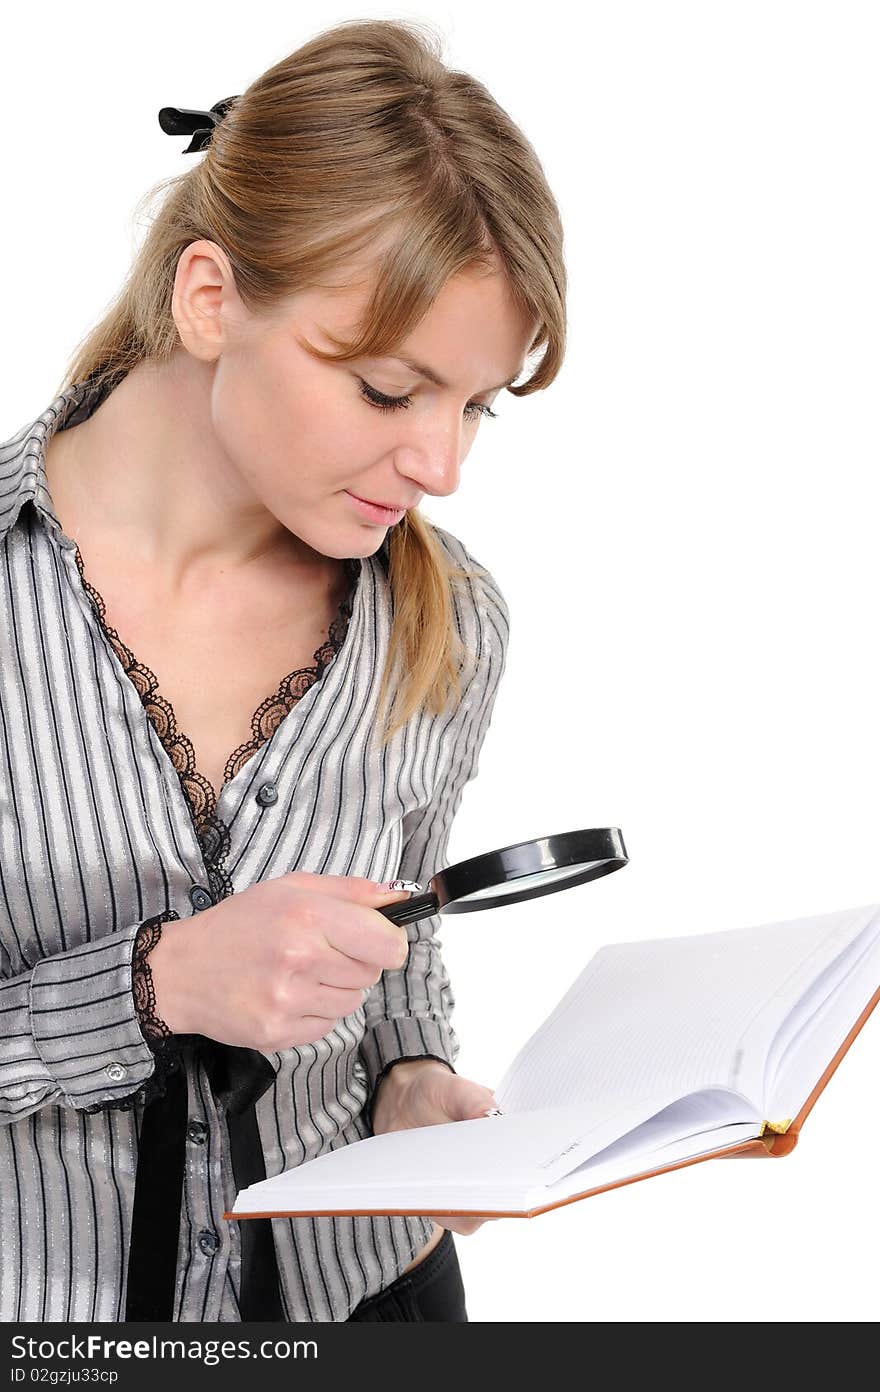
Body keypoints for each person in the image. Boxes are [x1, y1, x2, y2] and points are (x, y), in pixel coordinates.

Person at [0, 17, 565, 1323]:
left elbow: (401, 926)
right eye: (386, 389)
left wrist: (416, 1073)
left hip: (376, 1302)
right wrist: (152, 987)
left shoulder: (453, 619)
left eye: (472, 406)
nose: (444, 466)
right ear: (210, 299)